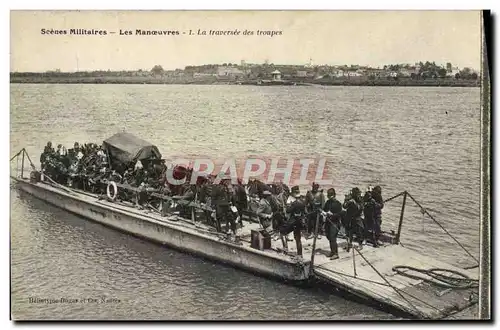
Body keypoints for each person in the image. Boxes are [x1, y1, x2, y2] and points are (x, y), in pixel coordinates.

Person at [280, 186, 306, 257]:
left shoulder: (294, 202)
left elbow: (288, 211)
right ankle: (300, 254)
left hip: (293, 221)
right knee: (298, 238)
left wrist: (289, 205)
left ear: (294, 193)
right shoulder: (303, 200)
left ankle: (285, 249)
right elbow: (305, 211)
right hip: (300, 221)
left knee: (282, 232)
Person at [323, 188, 342, 259]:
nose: (330, 197)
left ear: (334, 195)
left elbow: (340, 214)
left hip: (335, 223)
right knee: (328, 236)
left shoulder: (338, 204)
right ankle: (332, 251)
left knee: (332, 237)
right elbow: (324, 209)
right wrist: (325, 213)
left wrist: (332, 214)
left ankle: (336, 253)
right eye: (329, 195)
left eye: (331, 195)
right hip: (328, 222)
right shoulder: (328, 202)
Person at [343, 187, 364, 251]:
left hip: (356, 217)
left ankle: (360, 245)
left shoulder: (360, 198)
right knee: (349, 231)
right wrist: (348, 202)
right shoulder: (349, 197)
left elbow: (361, 207)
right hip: (349, 217)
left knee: (358, 232)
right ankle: (349, 243)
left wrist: (354, 203)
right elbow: (344, 206)